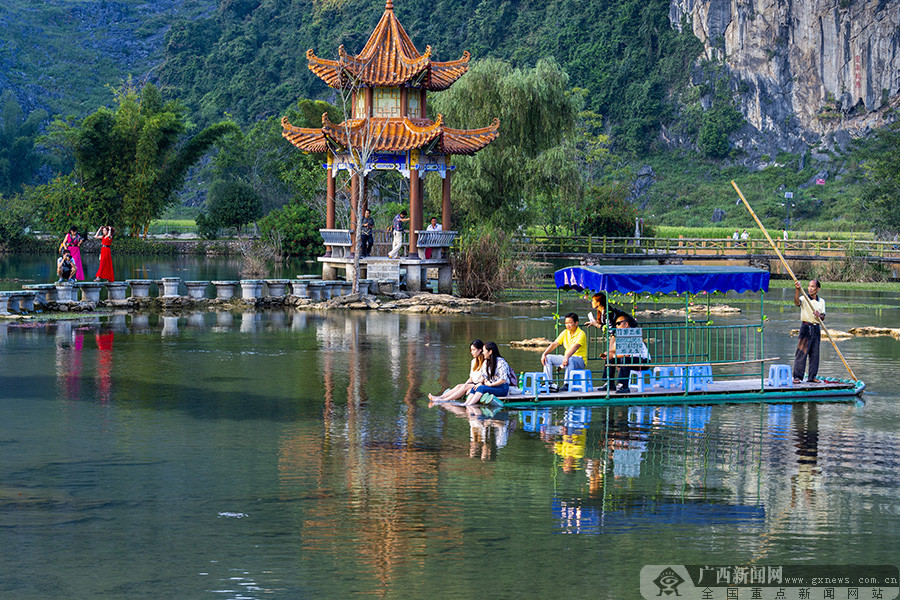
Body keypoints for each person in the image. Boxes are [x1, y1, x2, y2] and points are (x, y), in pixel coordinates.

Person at [540, 312, 588, 392]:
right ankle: (548, 383)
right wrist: (544, 353)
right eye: (566, 323)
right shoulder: (565, 332)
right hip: (568, 359)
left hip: (579, 360)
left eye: (570, 322)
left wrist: (566, 357)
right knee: (548, 358)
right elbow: (555, 344)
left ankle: (567, 384)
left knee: (570, 359)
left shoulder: (581, 334)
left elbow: (575, 347)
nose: (568, 325)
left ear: (576, 323)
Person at [793, 279, 825, 384]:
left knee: (815, 354)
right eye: (809, 286)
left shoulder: (821, 301)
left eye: (813, 287)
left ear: (818, 289)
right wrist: (797, 290)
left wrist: (818, 315)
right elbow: (797, 303)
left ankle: (812, 376)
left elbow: (823, 317)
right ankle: (797, 377)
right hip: (806, 327)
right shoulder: (804, 298)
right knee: (801, 353)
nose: (810, 289)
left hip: (816, 328)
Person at [608, 315, 651, 394]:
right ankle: (610, 383)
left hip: (642, 360)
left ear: (626, 324)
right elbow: (614, 351)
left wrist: (613, 354)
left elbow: (627, 354)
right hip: (630, 359)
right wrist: (608, 354)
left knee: (625, 359)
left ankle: (624, 386)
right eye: (616, 324)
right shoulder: (620, 336)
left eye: (618, 323)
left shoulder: (632, 335)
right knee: (610, 359)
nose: (616, 326)